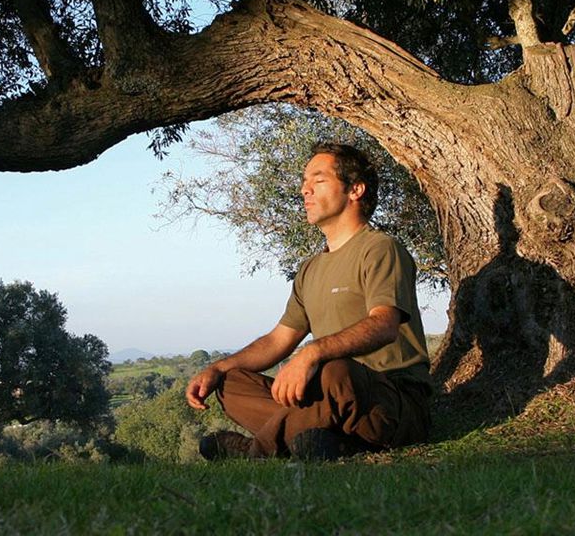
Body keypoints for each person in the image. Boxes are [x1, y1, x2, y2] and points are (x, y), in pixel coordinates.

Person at [185, 142, 432, 460]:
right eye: (304, 182)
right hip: (329, 397)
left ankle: (253, 450)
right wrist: (218, 367)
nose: (305, 190)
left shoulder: (381, 249)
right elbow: (278, 340)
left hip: (389, 398)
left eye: (318, 180)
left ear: (355, 189)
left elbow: (385, 324)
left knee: (335, 373)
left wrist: (313, 353)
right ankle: (321, 440)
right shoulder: (310, 269)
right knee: (231, 383)